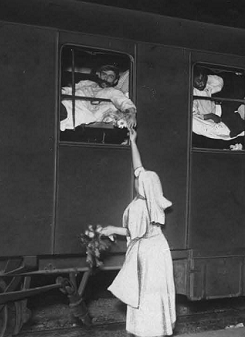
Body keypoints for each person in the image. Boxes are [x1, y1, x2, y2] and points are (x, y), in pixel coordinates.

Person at [98, 127, 176, 337]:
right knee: (156, 297)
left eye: (137, 179)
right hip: (159, 251)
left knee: (143, 297)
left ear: (141, 187)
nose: (136, 177)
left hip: (147, 256)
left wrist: (111, 229)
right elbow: (139, 168)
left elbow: (133, 232)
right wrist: (133, 142)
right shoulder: (152, 195)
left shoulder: (138, 207)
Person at [60, 64, 137, 130]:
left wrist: (131, 113)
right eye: (104, 74)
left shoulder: (112, 91)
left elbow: (123, 102)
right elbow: (67, 90)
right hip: (63, 103)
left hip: (75, 112)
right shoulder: (87, 83)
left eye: (111, 76)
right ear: (99, 75)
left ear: (115, 80)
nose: (106, 78)